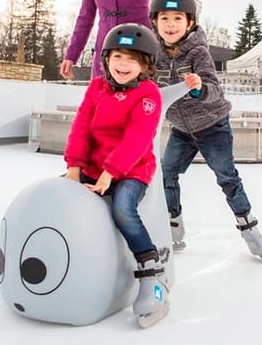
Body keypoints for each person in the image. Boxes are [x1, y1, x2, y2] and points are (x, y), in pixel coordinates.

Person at [150, 0, 262, 263]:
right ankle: (173, 226)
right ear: (155, 22)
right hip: (181, 129)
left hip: (212, 126)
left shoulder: (198, 52)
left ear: (190, 23)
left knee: (227, 177)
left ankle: (248, 227)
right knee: (166, 174)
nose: (171, 25)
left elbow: (215, 88)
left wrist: (200, 88)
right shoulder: (154, 55)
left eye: (178, 19)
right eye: (165, 18)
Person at [63, 23, 169, 327]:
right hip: (94, 166)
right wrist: (74, 169)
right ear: (106, 58)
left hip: (132, 169)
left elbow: (137, 139)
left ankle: (152, 271)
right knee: (64, 199)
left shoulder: (149, 94)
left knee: (122, 209)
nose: (123, 65)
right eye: (118, 57)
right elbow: (81, 127)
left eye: (132, 59)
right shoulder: (97, 87)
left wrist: (110, 174)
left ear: (145, 65)